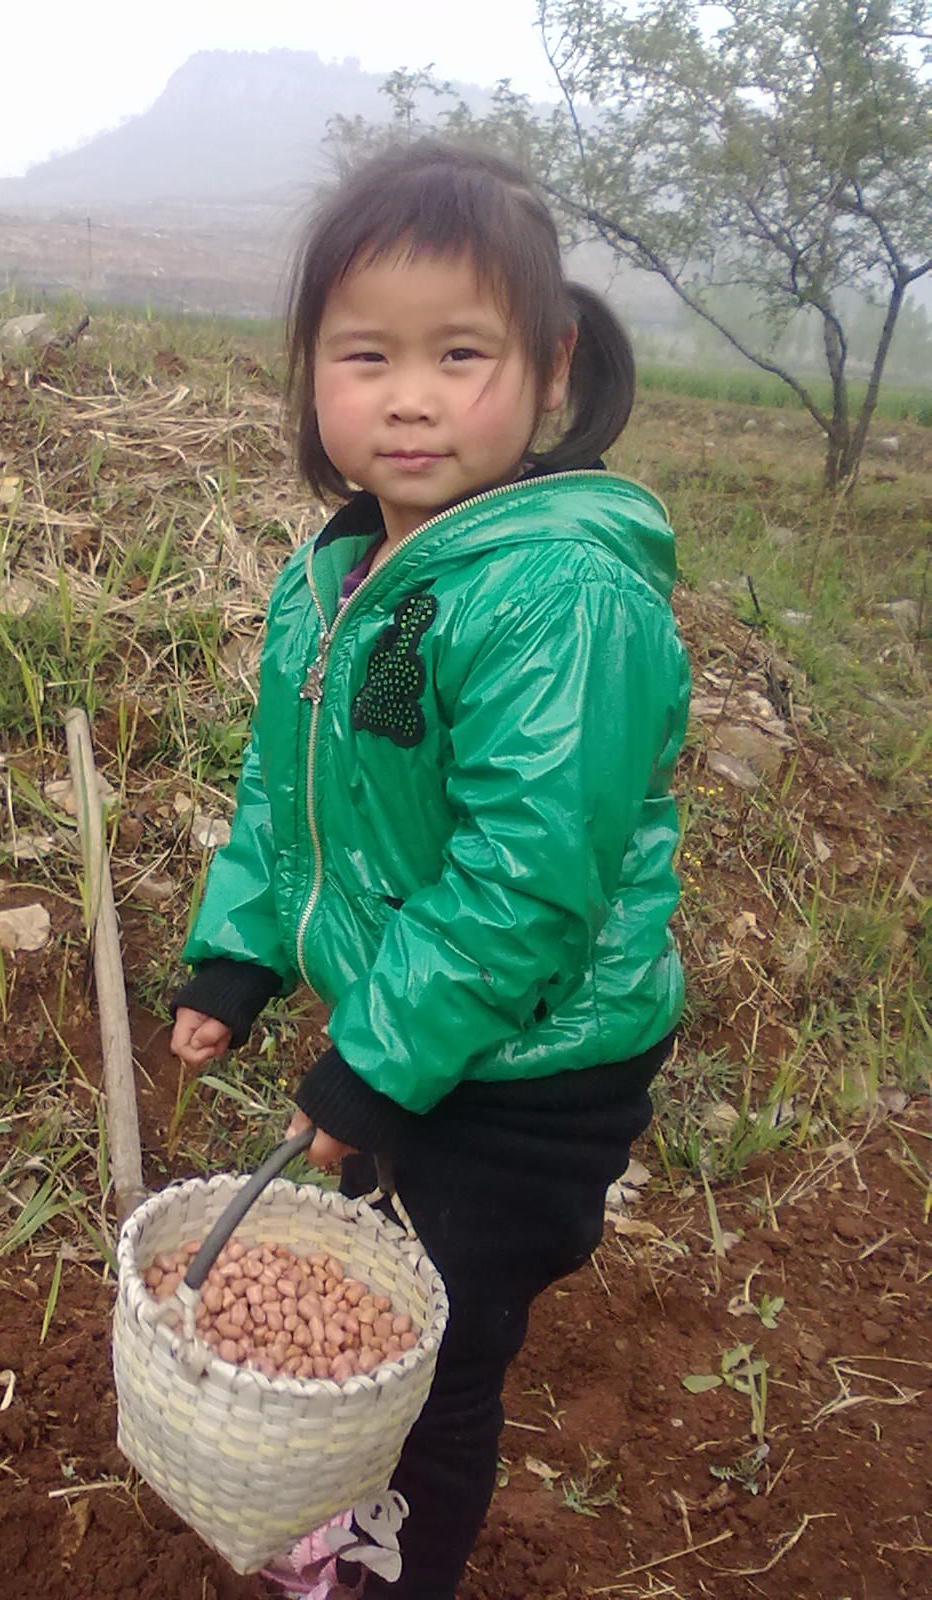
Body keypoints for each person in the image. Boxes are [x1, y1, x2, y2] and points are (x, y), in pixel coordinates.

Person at [170, 140, 690, 1600]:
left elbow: (528, 881)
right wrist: (245, 950)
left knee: (439, 1356)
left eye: (460, 352)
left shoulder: (562, 596)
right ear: (310, 377)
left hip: (531, 1070)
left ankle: (399, 1562)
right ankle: (353, 1496)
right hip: (416, 1041)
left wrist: (374, 1066)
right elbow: (292, 798)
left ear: (550, 367)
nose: (408, 396)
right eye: (366, 355)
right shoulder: (339, 575)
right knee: (381, 1292)